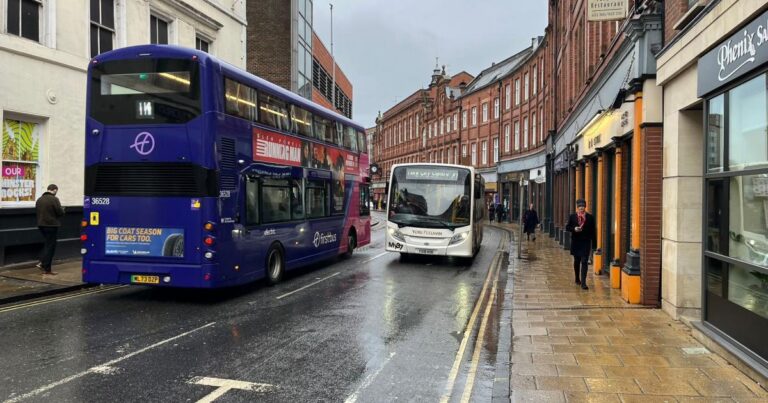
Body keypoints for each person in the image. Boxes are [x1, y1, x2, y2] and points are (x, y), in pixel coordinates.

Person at [566, 199, 596, 290]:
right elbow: (567, 227)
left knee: (584, 261)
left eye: (583, 207)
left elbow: (593, 231)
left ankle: (583, 282)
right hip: (576, 242)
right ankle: (577, 278)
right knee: (577, 261)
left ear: (585, 207)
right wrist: (574, 229)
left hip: (586, 242)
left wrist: (594, 245)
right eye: (580, 207)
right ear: (577, 208)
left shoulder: (590, 217)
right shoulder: (572, 217)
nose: (581, 209)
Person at [35, 184, 65, 275]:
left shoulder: (39, 199)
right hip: (51, 225)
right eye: (56, 191)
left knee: (48, 244)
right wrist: (63, 210)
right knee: (51, 246)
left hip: (41, 225)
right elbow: (59, 212)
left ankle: (42, 263)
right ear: (55, 190)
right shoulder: (54, 199)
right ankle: (46, 267)